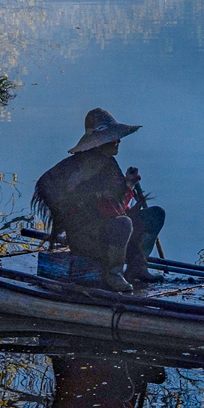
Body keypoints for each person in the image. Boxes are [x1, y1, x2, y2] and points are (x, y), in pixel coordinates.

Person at [32, 108, 166, 291]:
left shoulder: (108, 163)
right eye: (113, 138)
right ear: (101, 141)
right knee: (123, 223)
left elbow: (115, 205)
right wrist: (128, 187)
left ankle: (137, 268)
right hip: (87, 238)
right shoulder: (85, 166)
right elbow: (112, 209)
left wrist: (128, 185)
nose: (118, 141)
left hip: (108, 229)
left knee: (155, 214)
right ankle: (113, 274)